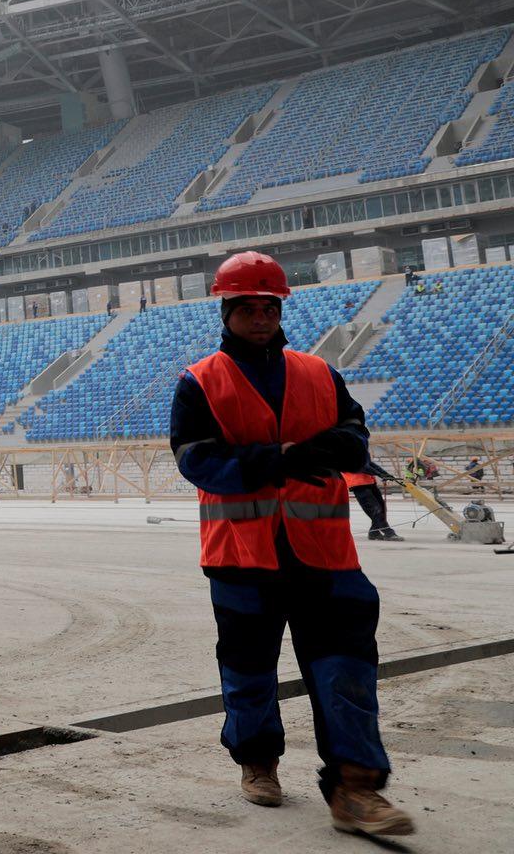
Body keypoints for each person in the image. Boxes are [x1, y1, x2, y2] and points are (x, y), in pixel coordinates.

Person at [168, 251, 411, 836]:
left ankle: (356, 789)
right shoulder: (201, 381)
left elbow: (355, 436)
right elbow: (198, 461)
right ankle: (258, 763)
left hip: (325, 555)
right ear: (227, 312)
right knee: (249, 670)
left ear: (280, 309)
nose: (259, 318)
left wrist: (337, 447)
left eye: (268, 307)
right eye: (247, 308)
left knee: (347, 669)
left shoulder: (319, 373)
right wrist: (284, 459)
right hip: (241, 556)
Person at [346, 461, 400, 541]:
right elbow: (361, 466)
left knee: (381, 508)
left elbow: (370, 463)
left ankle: (374, 533)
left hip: (369, 481)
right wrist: (380, 474)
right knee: (375, 509)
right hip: (358, 484)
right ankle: (388, 532)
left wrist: (385, 474)